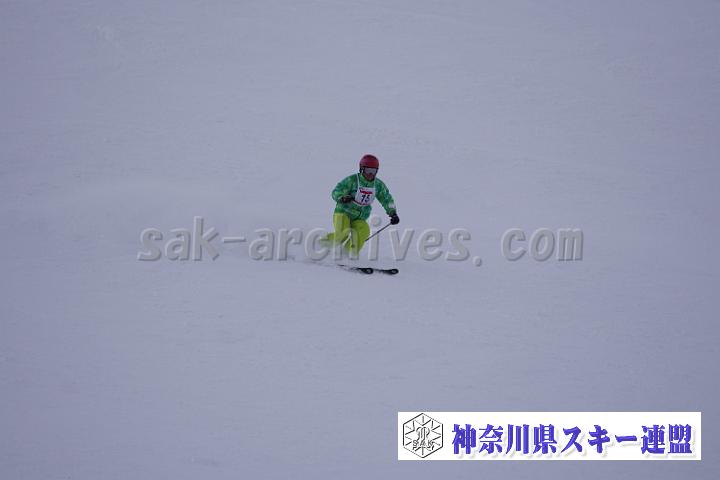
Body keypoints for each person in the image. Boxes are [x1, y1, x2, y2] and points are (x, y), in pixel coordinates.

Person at [322, 154, 399, 255]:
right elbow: (337, 191)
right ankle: (320, 245)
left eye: (373, 171)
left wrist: (393, 213)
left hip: (360, 217)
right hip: (343, 212)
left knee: (363, 231)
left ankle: (348, 254)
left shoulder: (378, 185)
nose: (370, 174)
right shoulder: (352, 180)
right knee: (343, 233)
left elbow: (386, 198)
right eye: (368, 170)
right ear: (362, 169)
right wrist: (342, 197)